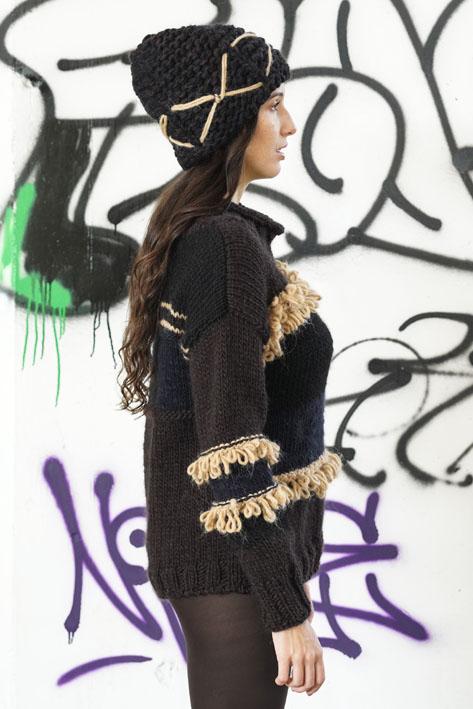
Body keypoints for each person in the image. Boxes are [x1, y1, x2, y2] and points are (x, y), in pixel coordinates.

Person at [119, 23, 344, 708]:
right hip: (233, 569)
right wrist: (285, 609)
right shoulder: (222, 246)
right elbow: (230, 447)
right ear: (228, 120)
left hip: (238, 564)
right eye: (273, 105)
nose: (290, 124)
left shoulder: (215, 234)